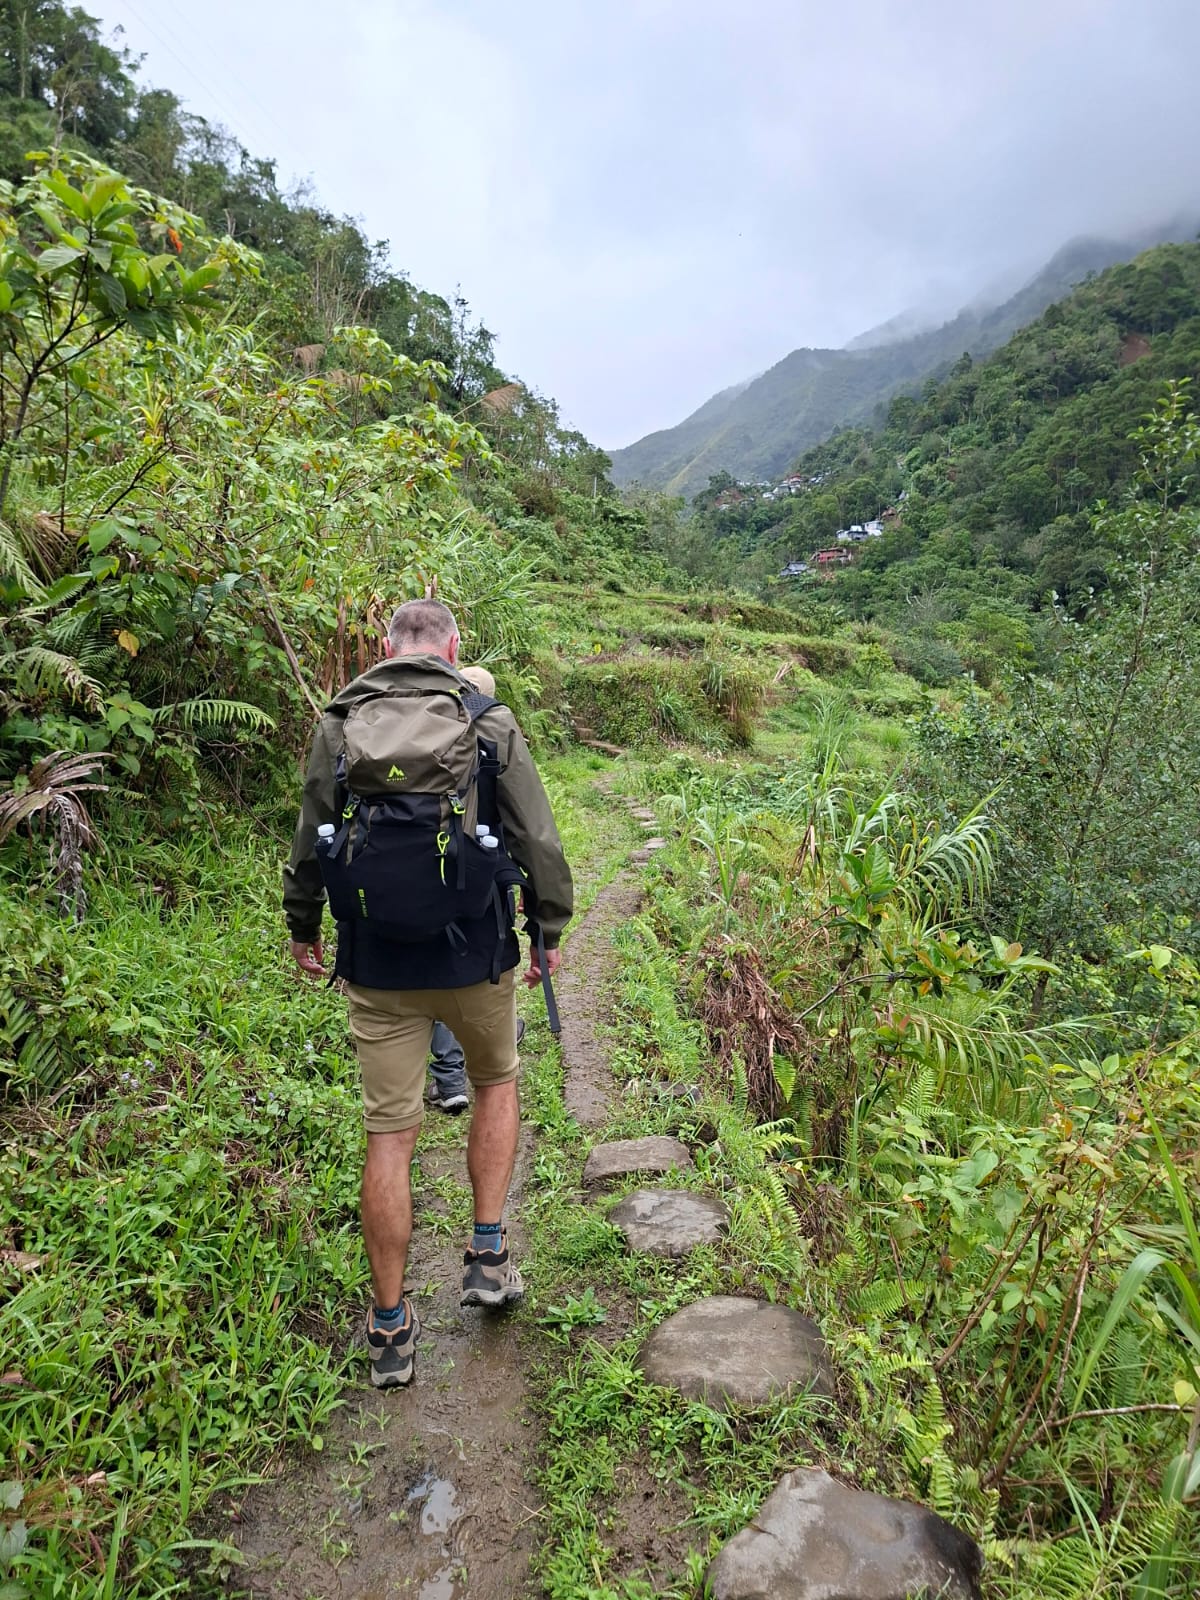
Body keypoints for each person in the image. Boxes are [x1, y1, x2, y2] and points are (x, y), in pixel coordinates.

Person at [283, 599, 573, 1389]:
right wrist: (548, 928)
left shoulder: (341, 723)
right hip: (476, 954)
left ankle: (388, 1331)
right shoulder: (486, 718)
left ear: (386, 647)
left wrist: (302, 925)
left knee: (390, 1134)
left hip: (376, 963)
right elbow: (536, 836)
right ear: (451, 646)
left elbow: (312, 837)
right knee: (495, 1083)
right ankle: (485, 1254)